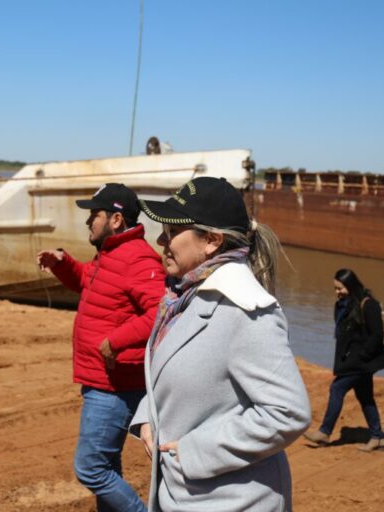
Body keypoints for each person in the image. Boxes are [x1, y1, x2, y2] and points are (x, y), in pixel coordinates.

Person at [129, 176, 311, 511]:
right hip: (183, 494)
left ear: (211, 241)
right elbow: (170, 372)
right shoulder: (180, 296)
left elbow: (288, 413)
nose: (159, 240)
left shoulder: (245, 311)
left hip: (232, 500)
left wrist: (193, 453)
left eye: (171, 232)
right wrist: (147, 418)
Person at [37, 183, 165, 512]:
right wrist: (61, 264)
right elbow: (89, 281)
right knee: (107, 465)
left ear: (116, 219)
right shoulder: (112, 253)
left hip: (114, 385)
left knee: (91, 467)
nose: (88, 221)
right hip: (101, 379)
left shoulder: (137, 258)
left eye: (94, 214)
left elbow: (160, 312)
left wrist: (114, 341)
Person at [304, 268, 384, 451]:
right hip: (353, 360)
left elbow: (377, 335)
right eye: (335, 288)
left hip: (361, 362)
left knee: (337, 388)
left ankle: (325, 433)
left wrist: (362, 355)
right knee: (365, 397)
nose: (337, 292)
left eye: (340, 288)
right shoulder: (342, 305)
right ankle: (378, 437)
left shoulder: (368, 304)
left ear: (351, 285)